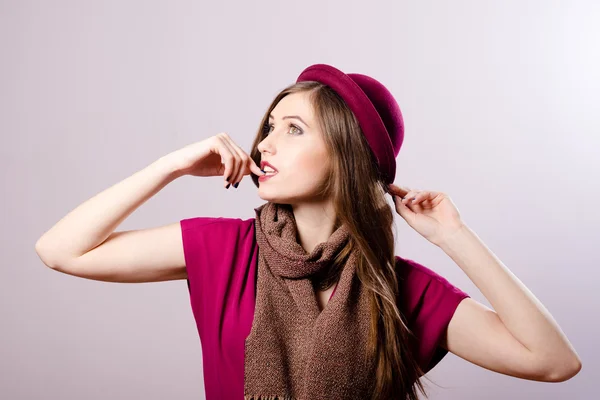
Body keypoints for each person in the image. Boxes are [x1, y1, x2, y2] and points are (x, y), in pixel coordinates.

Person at [35, 63, 581, 400]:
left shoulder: (403, 291)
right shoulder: (225, 249)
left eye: (292, 129)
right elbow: (59, 250)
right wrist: (171, 165)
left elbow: (553, 362)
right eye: (270, 126)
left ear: (347, 155)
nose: (265, 143)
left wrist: (454, 235)